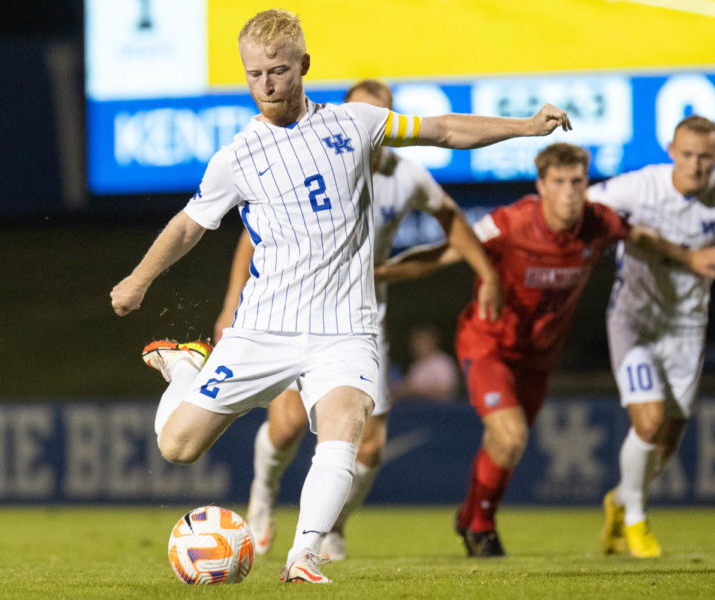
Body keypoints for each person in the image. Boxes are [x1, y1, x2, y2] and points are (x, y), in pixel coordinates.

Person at [110, 9, 572, 582]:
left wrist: (526, 127)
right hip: (265, 328)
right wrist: (139, 278)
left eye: (277, 71)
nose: (267, 85)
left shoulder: (355, 123)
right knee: (177, 447)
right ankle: (184, 367)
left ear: (303, 66)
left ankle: (304, 554)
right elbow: (188, 226)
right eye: (254, 75)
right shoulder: (237, 157)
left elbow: (445, 130)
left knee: (345, 424)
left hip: (344, 328)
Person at [375, 142, 715, 558]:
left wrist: (687, 256)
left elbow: (639, 234)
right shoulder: (511, 222)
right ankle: (480, 527)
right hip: (489, 345)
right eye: (559, 182)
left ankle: (470, 514)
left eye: (577, 182)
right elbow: (447, 251)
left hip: (538, 358)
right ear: (541, 185)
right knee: (510, 433)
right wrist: (381, 273)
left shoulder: (599, 222)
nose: (570, 191)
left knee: (507, 444)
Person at [211, 79, 498, 561]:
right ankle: (262, 495)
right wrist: (228, 306)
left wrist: (486, 272)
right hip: (292, 311)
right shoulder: (306, 155)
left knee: (369, 449)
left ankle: (331, 527)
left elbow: (450, 217)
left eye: (379, 115)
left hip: (359, 321)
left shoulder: (405, 176)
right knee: (285, 429)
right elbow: (250, 238)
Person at [589, 115, 715, 558]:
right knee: (648, 420)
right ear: (670, 150)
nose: (697, 166)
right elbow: (585, 208)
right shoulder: (640, 187)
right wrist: (634, 236)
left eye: (706, 157)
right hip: (633, 320)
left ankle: (620, 500)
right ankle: (638, 522)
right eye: (688, 155)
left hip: (686, 327)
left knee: (665, 445)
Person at [391, 325, 459, 402]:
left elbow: (446, 389)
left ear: (432, 342)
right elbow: (408, 387)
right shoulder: (416, 365)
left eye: (420, 342)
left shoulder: (442, 362)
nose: (416, 346)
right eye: (415, 342)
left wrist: (416, 391)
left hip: (441, 410)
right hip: (418, 409)